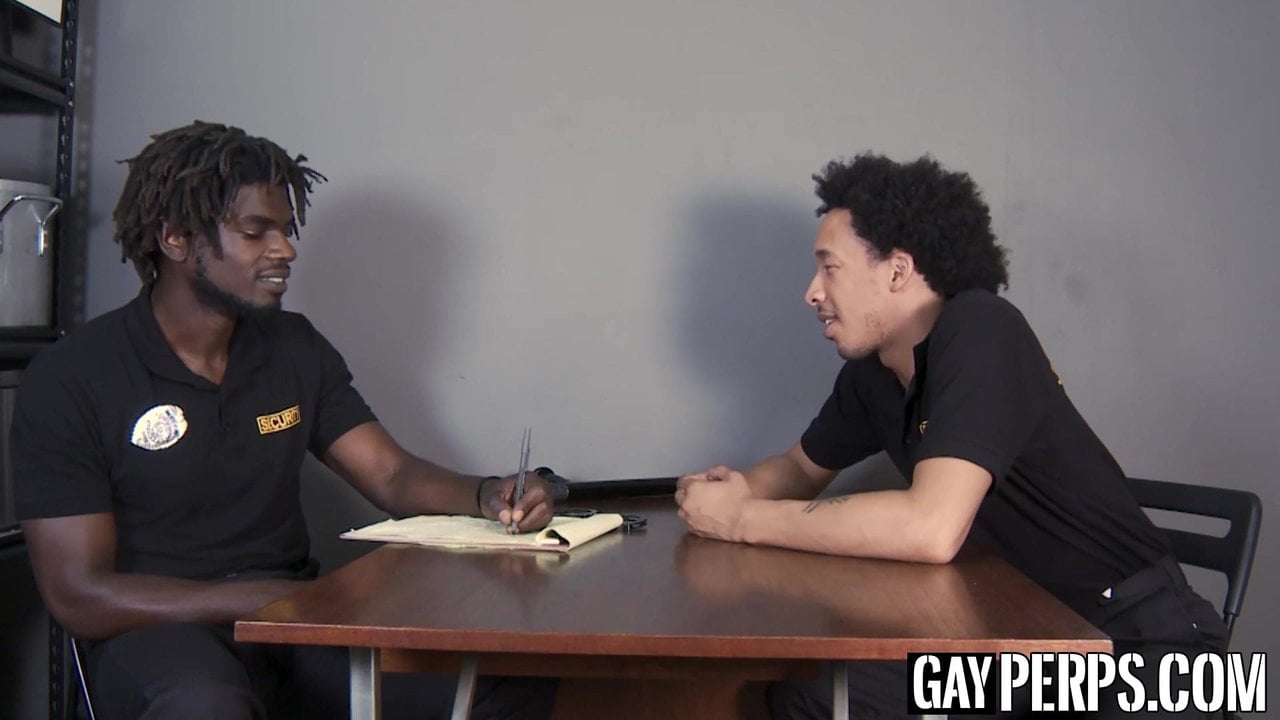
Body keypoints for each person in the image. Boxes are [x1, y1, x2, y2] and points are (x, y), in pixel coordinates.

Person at [13, 121, 557, 720]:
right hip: (160, 633)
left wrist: (487, 494)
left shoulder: (293, 347)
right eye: (255, 232)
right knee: (205, 706)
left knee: (504, 682)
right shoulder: (73, 377)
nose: (285, 250)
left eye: (285, 230)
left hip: (289, 626)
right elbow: (80, 594)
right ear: (175, 238)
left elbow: (392, 474)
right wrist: (266, 598)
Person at [674, 153, 1227, 719]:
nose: (812, 293)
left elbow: (929, 528)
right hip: (1022, 641)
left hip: (1140, 645)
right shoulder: (874, 374)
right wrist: (733, 492)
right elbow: (798, 468)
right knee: (812, 694)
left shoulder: (981, 328)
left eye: (829, 268)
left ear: (897, 271)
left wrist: (742, 520)